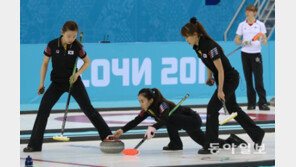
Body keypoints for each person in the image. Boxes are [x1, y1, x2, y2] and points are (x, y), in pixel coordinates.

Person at [23, 21, 112, 152]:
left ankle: (107, 136)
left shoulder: (77, 46)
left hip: (73, 82)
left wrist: (77, 74)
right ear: (62, 33)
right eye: (69, 36)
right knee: (43, 110)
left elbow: (87, 62)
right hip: (57, 83)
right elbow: (45, 64)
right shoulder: (52, 45)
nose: (72, 39)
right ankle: (34, 145)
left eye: (74, 36)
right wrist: (41, 83)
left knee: (88, 109)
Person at [180, 17, 265, 153]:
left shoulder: (210, 46)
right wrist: (209, 77)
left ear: (195, 35)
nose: (186, 40)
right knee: (232, 109)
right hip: (222, 80)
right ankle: (257, 133)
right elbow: (208, 63)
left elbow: (220, 69)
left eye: (186, 37)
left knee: (212, 108)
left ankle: (211, 145)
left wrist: (220, 90)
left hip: (229, 79)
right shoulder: (197, 47)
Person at [109, 88, 247, 154]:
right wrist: (121, 131)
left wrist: (154, 127)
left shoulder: (162, 105)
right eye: (139, 101)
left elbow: (164, 118)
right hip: (185, 123)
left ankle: (176, 144)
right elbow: (135, 121)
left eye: (142, 101)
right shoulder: (148, 110)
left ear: (150, 100)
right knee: (208, 143)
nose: (141, 104)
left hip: (192, 120)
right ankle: (231, 141)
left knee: (168, 119)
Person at [234, 5, 270, 110]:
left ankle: (263, 103)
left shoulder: (260, 25)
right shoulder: (242, 25)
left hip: (256, 54)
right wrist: (243, 42)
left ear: (255, 12)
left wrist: (263, 40)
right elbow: (236, 40)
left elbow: (265, 41)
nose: (247, 13)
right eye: (247, 11)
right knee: (248, 79)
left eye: (250, 11)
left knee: (258, 79)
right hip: (245, 54)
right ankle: (251, 103)